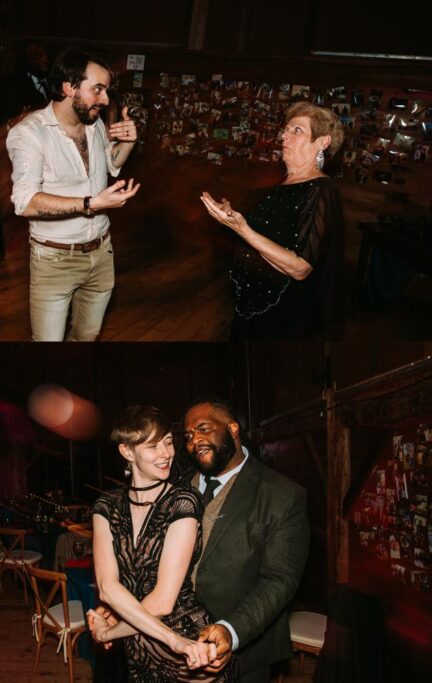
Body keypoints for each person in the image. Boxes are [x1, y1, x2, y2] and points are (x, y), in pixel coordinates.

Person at [5, 47, 140, 341]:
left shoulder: (93, 125)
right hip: (54, 260)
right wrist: (92, 204)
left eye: (106, 91)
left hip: (102, 254)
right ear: (69, 87)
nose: (105, 100)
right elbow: (25, 202)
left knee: (86, 340)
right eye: (98, 90)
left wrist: (128, 143)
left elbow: (112, 165)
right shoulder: (29, 134)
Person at [87, 405, 227, 681]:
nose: (167, 454)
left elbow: (163, 602)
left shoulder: (182, 502)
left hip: (187, 647)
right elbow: (107, 587)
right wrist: (112, 624)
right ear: (127, 452)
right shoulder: (106, 506)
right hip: (137, 649)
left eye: (168, 442)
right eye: (153, 446)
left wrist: (107, 632)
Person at [180, 397, 309, 682]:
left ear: (233, 429)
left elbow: (279, 578)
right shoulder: (175, 487)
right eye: (188, 435)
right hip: (173, 645)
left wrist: (231, 629)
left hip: (243, 652)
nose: (195, 441)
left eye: (203, 429)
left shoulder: (282, 495)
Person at [199, 102, 346, 340]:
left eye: (297, 130)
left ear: (322, 142)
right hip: (253, 307)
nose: (284, 135)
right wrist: (231, 215)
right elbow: (268, 235)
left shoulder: (321, 190)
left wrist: (243, 229)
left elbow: (300, 268)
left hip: (283, 317)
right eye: (286, 129)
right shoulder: (284, 186)